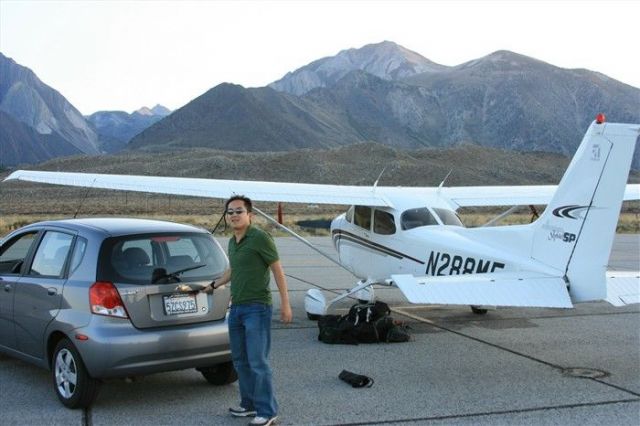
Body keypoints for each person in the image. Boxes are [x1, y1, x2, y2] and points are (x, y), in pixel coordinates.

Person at [203, 195, 292, 426]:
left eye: (238, 211)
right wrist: (213, 285)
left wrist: (285, 303)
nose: (233, 215)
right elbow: (233, 270)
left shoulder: (260, 238)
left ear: (249, 215)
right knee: (240, 360)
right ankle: (249, 404)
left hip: (257, 308)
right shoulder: (233, 241)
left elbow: (278, 271)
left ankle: (268, 410)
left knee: (257, 361)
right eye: (230, 212)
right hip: (237, 309)